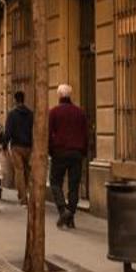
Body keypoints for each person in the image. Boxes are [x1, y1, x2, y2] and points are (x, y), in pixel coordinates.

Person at [47, 84, 90, 229]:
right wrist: (83, 151)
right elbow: (85, 134)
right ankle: (70, 215)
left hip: (59, 152)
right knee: (74, 186)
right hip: (76, 153)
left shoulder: (53, 112)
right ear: (70, 95)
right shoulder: (80, 112)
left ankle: (63, 210)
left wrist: (50, 150)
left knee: (55, 182)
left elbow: (48, 134)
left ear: (59, 95)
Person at [0, 91, 34, 202]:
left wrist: (4, 145)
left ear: (15, 100)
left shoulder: (12, 114)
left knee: (19, 171)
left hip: (17, 146)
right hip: (29, 146)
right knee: (28, 171)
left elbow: (8, 131)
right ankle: (28, 193)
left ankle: (22, 197)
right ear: (23, 99)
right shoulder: (30, 113)